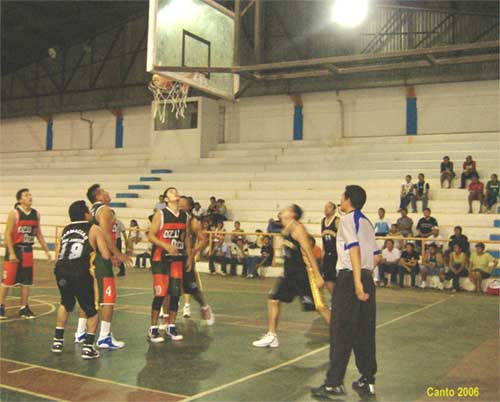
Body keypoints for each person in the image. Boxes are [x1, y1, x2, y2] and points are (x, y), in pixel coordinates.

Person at [312, 185, 380, 399]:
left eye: (342, 196)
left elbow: (354, 250)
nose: (339, 200)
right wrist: (365, 277)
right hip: (366, 277)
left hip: (350, 279)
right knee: (364, 331)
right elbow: (376, 256)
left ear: (349, 199)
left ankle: (333, 383)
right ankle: (368, 379)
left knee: (340, 330)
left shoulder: (348, 219)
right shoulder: (367, 222)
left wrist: (356, 283)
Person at [252, 204, 327, 349]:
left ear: (292, 214)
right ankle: (272, 336)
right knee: (273, 300)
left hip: (302, 275)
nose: (283, 211)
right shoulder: (286, 227)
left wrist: (318, 275)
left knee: (320, 307)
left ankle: (340, 333)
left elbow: (308, 252)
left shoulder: (298, 229)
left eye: (286, 209)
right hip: (289, 275)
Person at [51, 201, 111, 359]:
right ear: (85, 214)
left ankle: (57, 341)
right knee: (92, 310)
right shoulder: (94, 228)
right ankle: (88, 347)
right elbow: (105, 255)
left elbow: (57, 253)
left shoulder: (65, 229)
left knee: (65, 303)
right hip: (80, 270)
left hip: (61, 269)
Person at [83, 184, 131, 349]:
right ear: (98, 196)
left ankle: (81, 332)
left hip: (92, 258)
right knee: (108, 299)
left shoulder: (92, 211)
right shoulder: (104, 210)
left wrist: (111, 255)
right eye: (103, 191)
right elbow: (104, 236)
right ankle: (104, 336)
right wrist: (118, 254)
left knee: (91, 297)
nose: (107, 192)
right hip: (100, 260)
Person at [147, 187, 191, 342]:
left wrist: (189, 257)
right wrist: (165, 246)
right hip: (160, 258)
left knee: (175, 294)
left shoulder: (185, 216)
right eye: (171, 192)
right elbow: (151, 236)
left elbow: (186, 237)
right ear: (166, 199)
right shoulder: (160, 214)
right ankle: (153, 328)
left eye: (176, 191)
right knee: (160, 294)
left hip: (177, 259)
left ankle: (171, 326)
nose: (175, 193)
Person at [0, 189, 52, 320]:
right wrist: (11, 252)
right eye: (26, 195)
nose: (30, 197)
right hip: (15, 250)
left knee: (26, 282)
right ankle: (1, 306)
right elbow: (7, 234)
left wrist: (46, 250)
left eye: (30, 194)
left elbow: (38, 233)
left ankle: (24, 308)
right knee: (7, 281)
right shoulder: (14, 213)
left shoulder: (36, 214)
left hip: (28, 251)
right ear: (19, 200)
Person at [177, 196, 214, 325]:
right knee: (172, 285)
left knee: (192, 288)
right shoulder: (173, 218)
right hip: (173, 256)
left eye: (182, 204)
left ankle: (204, 306)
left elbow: (203, 240)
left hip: (186, 257)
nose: (179, 205)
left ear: (189, 207)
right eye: (178, 203)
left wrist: (193, 251)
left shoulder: (193, 222)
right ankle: (167, 315)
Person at [321, 201, 340, 295]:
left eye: (328, 207)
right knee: (327, 278)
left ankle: (338, 298)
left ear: (334, 210)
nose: (326, 209)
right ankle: (334, 298)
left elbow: (342, 236)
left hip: (336, 253)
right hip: (327, 253)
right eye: (325, 207)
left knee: (335, 278)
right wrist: (323, 252)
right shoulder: (323, 221)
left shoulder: (337, 221)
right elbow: (323, 239)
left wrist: (332, 233)